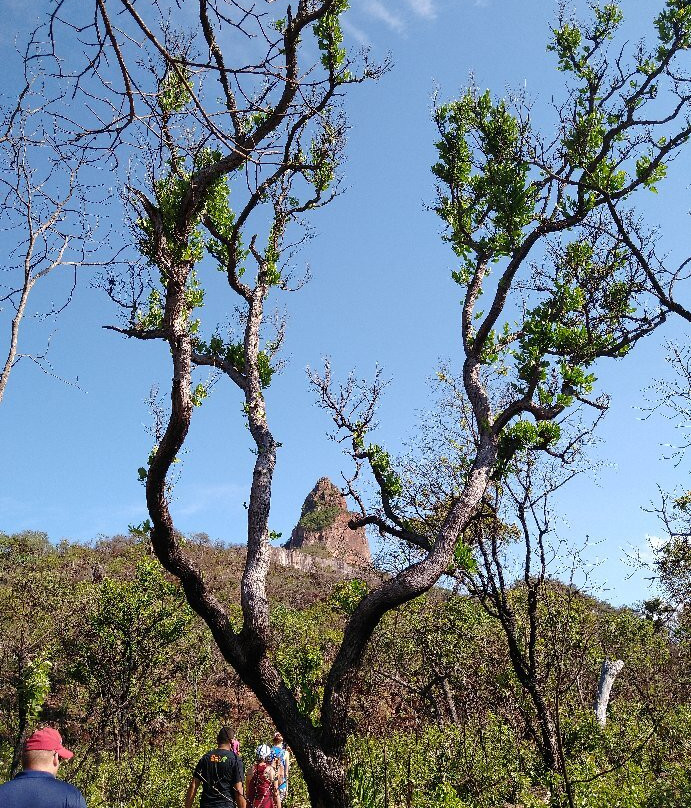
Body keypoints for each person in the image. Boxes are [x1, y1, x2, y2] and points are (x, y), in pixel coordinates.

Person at [0, 726, 87, 808]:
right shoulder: (71, 796)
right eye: (61, 759)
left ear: (23, 760)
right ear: (56, 758)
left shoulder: (2, 792)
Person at [185, 726, 246, 808]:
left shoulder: (206, 758)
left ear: (218, 739)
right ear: (231, 741)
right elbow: (238, 790)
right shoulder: (235, 760)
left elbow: (193, 785)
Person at [269, 733, 289, 801]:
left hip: (270, 784)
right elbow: (286, 772)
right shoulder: (285, 753)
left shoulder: (269, 752)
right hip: (281, 783)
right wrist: (287, 788)